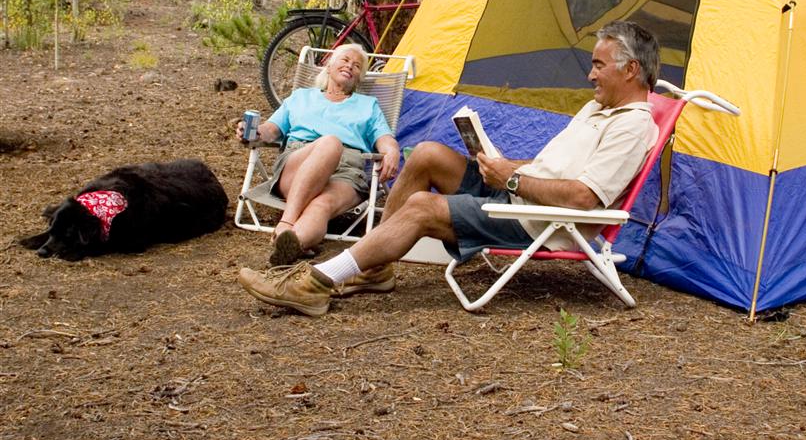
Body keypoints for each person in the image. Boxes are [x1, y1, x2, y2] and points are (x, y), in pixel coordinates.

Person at [238, 21, 659, 316]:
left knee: (423, 207)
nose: (590, 75)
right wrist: (505, 166)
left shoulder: (633, 125)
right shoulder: (597, 108)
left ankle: (316, 282)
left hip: (539, 220)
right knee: (426, 154)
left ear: (631, 69)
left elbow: (584, 197)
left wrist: (511, 179)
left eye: (599, 65)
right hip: (521, 192)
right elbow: (556, 166)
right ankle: (377, 267)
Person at [237, 43, 400, 267]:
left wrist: (392, 151)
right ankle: (288, 221)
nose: (350, 66)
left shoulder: (368, 105)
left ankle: (292, 243)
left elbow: (385, 139)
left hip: (346, 173)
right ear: (329, 65)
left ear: (359, 77)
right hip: (299, 162)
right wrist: (254, 131)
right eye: (345, 60)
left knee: (321, 206)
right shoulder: (301, 97)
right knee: (330, 143)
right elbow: (271, 130)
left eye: (357, 66)